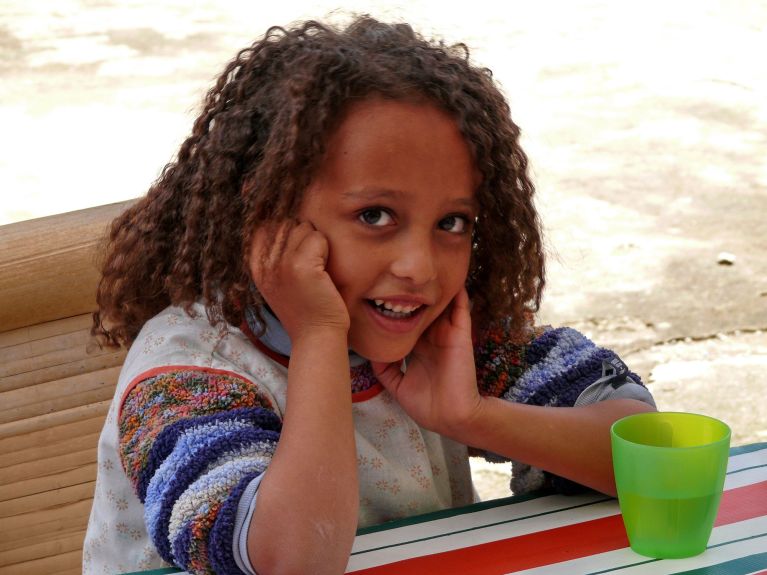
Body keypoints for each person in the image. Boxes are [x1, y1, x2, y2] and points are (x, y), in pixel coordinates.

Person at [83, 15, 656, 575]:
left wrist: (474, 416)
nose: (418, 267)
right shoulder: (187, 375)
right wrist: (319, 337)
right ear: (265, 215)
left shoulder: (438, 339)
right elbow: (290, 561)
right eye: (375, 215)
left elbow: (649, 457)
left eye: (452, 223)